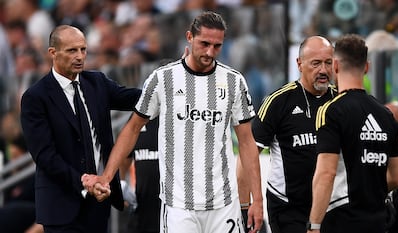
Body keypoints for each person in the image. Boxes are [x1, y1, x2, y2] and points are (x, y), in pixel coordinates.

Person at [83, 11, 263, 233]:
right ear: (189, 37)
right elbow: (132, 128)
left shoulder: (234, 81)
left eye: (217, 46)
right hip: (178, 206)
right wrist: (107, 177)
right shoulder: (163, 79)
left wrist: (258, 200)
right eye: (204, 43)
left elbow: (247, 142)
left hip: (223, 204)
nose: (210, 52)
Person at [20, 25, 141, 233]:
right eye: (71, 50)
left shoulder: (97, 82)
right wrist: (84, 181)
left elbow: (136, 98)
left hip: (99, 202)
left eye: (83, 50)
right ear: (52, 53)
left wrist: (172, 80)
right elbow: (45, 156)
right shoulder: (36, 97)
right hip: (61, 206)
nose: (79, 56)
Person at [237, 35, 336, 233]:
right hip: (289, 209)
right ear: (299, 64)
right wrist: (246, 206)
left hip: (332, 207)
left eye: (328, 63)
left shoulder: (341, 99)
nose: (323, 70)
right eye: (316, 63)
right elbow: (247, 155)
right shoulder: (279, 101)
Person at [308, 34, 398, 233]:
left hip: (341, 219)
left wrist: (314, 225)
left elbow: (326, 173)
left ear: (335, 66)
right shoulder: (386, 115)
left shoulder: (331, 111)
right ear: (367, 67)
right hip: (378, 221)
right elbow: (397, 177)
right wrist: (370, 190)